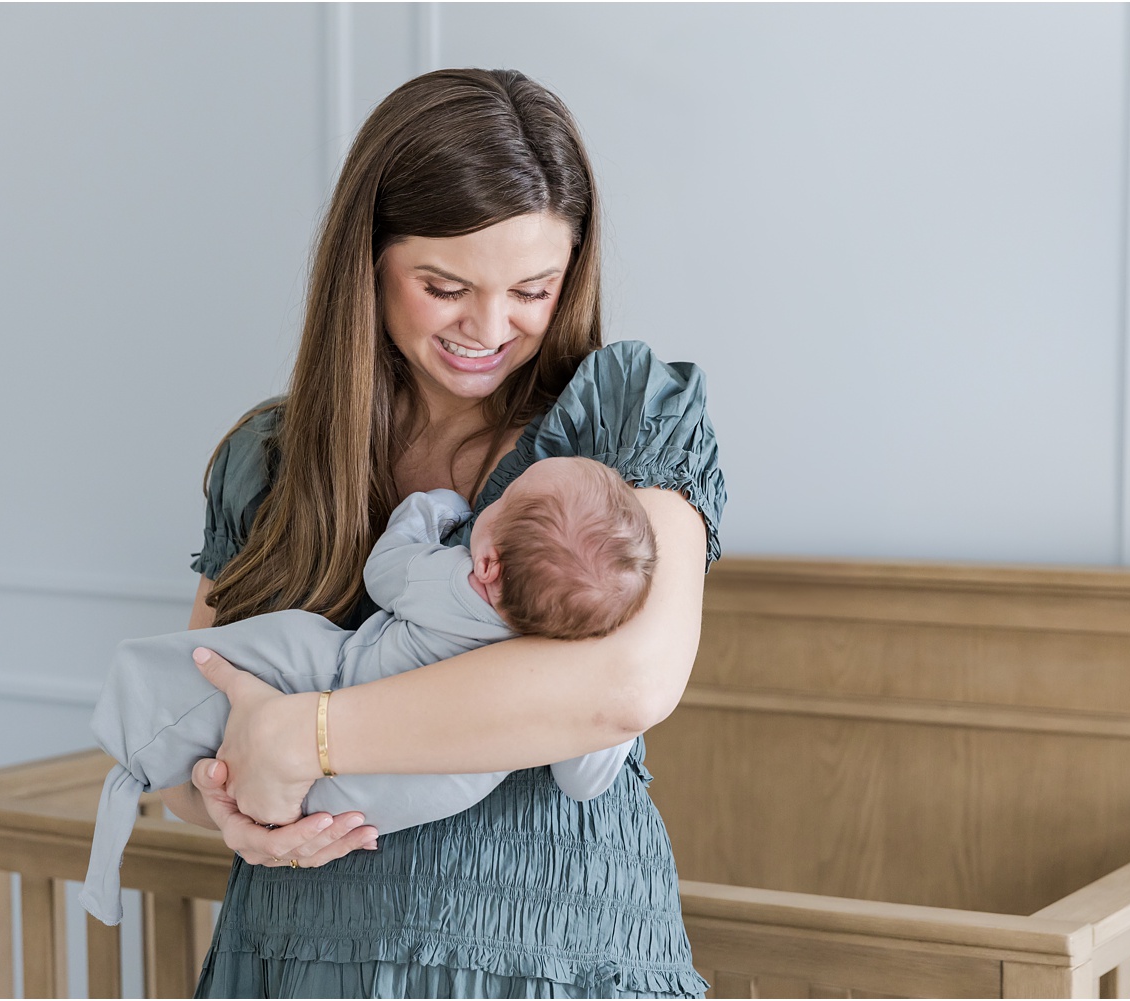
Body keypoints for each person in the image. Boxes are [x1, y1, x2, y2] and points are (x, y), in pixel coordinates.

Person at [163, 67, 724, 999]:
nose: (489, 327)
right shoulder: (274, 458)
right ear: (369, 260)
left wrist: (305, 737)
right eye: (444, 285)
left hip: (554, 952)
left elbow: (627, 682)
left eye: (533, 289)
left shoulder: (624, 421)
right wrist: (222, 805)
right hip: (305, 952)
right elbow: (184, 732)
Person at [81, 457, 655, 924]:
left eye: (501, 502)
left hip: (329, 709)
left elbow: (386, 570)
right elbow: (583, 780)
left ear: (488, 563)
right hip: (371, 814)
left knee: (276, 649)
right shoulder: (569, 679)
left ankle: (141, 721)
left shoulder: (456, 585)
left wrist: (429, 511)